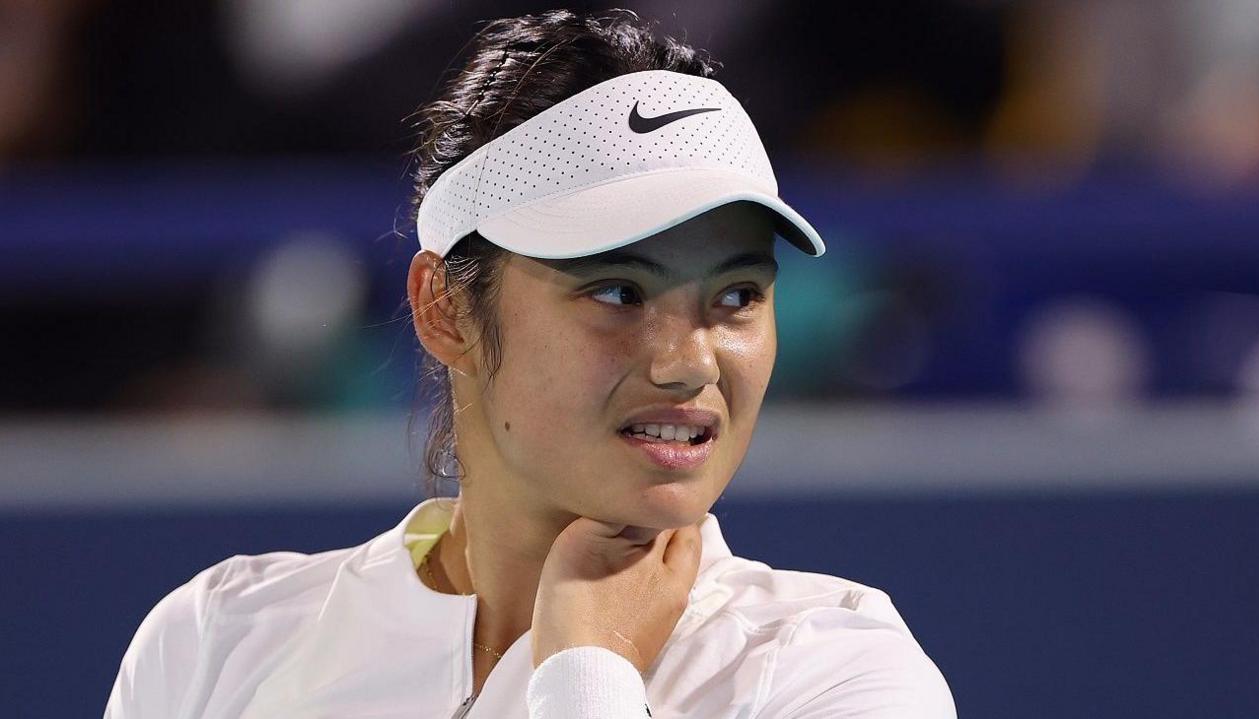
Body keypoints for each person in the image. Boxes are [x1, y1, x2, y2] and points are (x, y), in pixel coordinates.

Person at [105, 8, 955, 718]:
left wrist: (591, 667)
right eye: (618, 291)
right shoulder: (216, 640)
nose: (688, 363)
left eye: (736, 297)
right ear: (444, 308)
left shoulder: (837, 677)